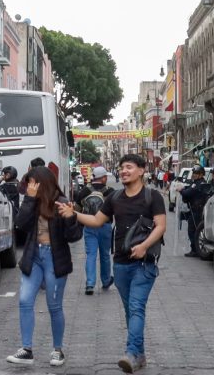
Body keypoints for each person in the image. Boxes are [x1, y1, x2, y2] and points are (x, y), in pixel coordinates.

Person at [58, 154, 166, 373]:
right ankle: (140, 354)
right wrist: (74, 213)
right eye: (121, 167)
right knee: (130, 310)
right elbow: (97, 221)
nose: (124, 171)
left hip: (145, 264)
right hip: (121, 264)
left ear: (141, 170)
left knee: (136, 307)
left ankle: (131, 353)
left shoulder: (152, 196)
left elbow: (161, 226)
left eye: (129, 167)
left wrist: (144, 245)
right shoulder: (115, 197)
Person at [6, 167, 82, 367]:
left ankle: (58, 350)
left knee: (54, 305)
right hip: (34, 257)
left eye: (33, 183)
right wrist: (29, 200)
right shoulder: (32, 201)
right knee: (24, 300)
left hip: (54, 258)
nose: (30, 187)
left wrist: (70, 217)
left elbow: (74, 237)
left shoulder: (62, 202)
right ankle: (27, 349)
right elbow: (20, 224)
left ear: (43, 183)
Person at [74, 166, 115, 295]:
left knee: (91, 255)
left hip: (89, 225)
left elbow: (77, 208)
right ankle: (106, 280)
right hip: (105, 225)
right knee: (105, 255)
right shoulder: (111, 191)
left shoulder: (84, 191)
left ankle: (90, 284)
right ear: (103, 178)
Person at [178, 166, 212, 258]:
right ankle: (197, 249)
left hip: (197, 210)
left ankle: (195, 249)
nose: (194, 175)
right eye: (193, 173)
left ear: (201, 174)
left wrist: (181, 190)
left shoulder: (199, 184)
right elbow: (188, 189)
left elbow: (187, 193)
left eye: (196, 173)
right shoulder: (198, 183)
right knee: (196, 230)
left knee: (193, 230)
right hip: (196, 209)